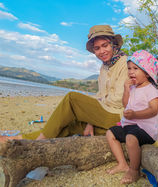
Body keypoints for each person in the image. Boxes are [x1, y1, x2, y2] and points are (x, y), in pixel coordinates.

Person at [0, 25, 128, 142]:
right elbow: (100, 94)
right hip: (107, 118)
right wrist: (91, 121)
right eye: (97, 48)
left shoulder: (125, 63)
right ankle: (17, 139)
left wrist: (90, 115)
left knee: (72, 98)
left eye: (105, 45)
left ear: (113, 44)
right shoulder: (104, 67)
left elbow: (118, 101)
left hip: (117, 115)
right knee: (68, 126)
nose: (101, 51)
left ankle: (39, 141)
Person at [106, 50, 158, 185]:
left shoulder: (151, 90)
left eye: (135, 69)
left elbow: (153, 110)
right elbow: (125, 105)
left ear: (147, 73)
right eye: (129, 68)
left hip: (145, 130)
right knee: (110, 133)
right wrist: (126, 88)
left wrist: (135, 114)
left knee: (131, 138)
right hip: (130, 127)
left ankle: (134, 170)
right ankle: (122, 163)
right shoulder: (132, 88)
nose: (131, 72)